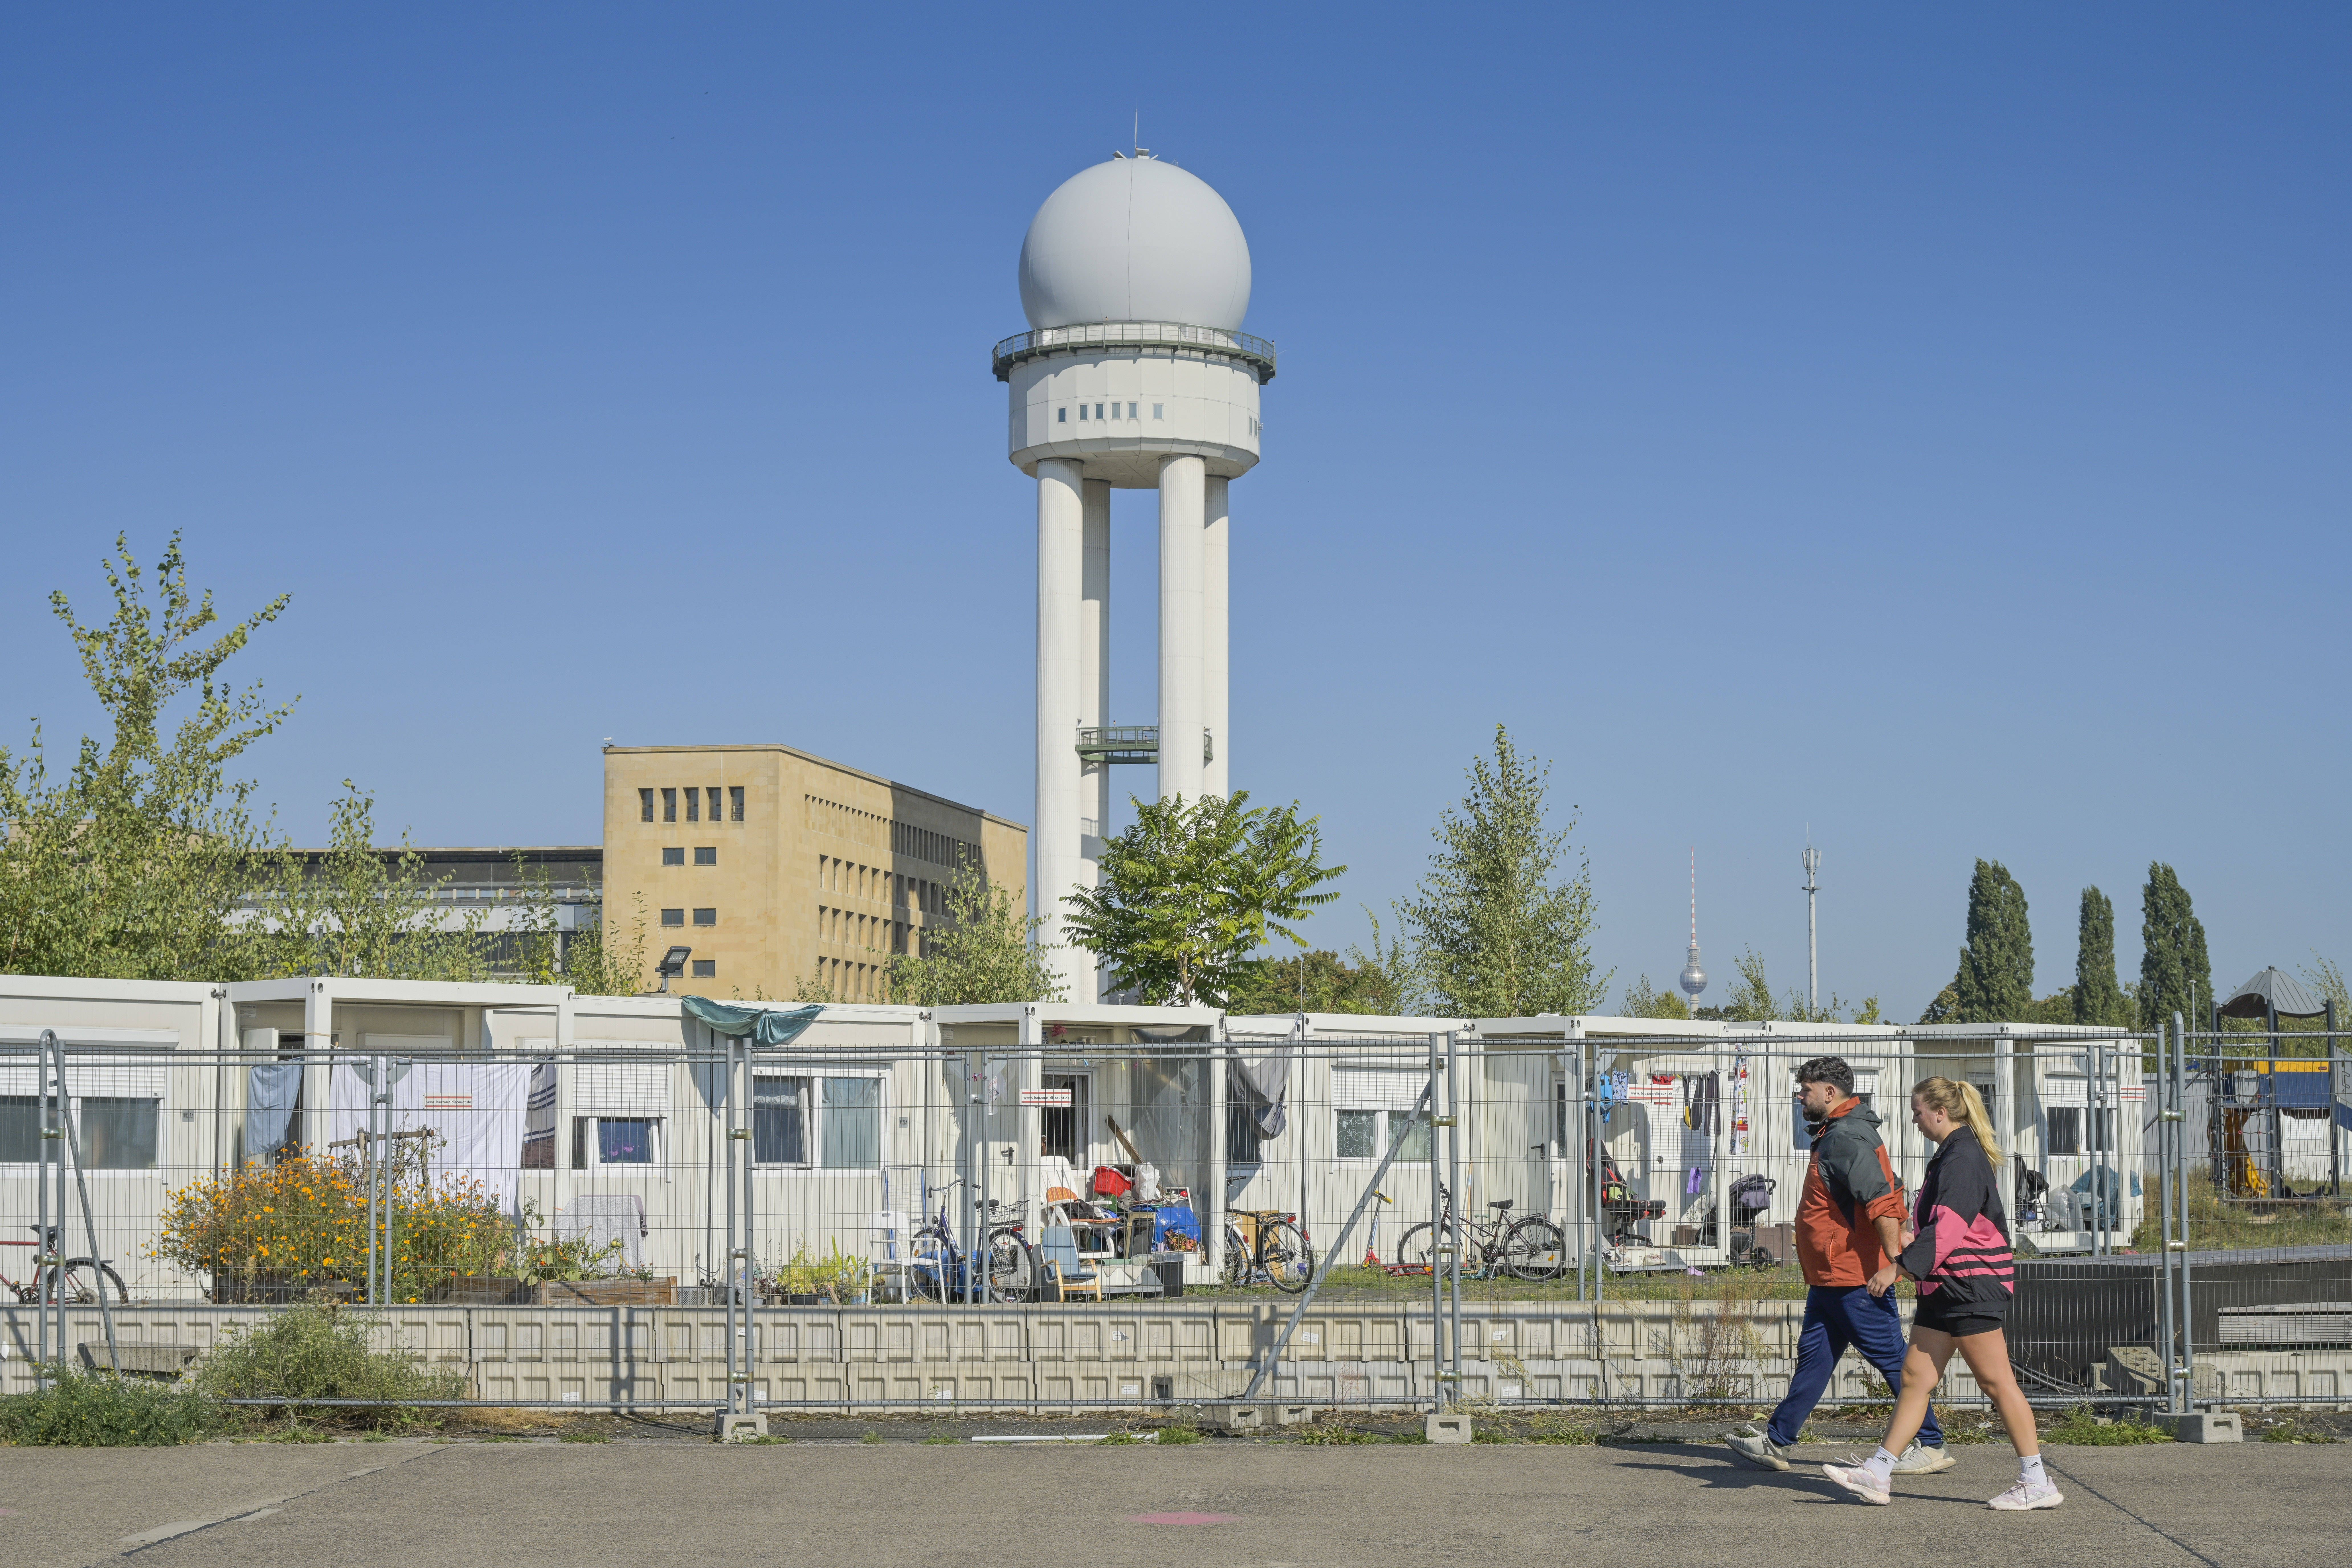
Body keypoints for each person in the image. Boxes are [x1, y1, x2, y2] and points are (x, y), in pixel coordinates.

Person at [1822, 1077, 2059, 1510]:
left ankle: (2037, 1480)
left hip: (1971, 1285)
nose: (1914, 1120)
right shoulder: (1951, 1154)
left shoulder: (1963, 1156)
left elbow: (1951, 1228)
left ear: (1940, 1112)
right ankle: (1878, 1472)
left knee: (1996, 1381)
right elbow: (1943, 1224)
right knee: (1916, 1379)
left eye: (1917, 1112)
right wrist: (1915, 1238)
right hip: (1946, 1285)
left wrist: (1901, 1267)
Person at [1726, 1056, 1950, 1475]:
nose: (1800, 1096)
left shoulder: (1845, 1137)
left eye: (1806, 1089)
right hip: (1831, 1278)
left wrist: (1897, 1261)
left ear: (1830, 1093)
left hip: (1852, 1278)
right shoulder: (1841, 1133)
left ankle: (1932, 1442)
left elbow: (1883, 1200)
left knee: (1892, 1359)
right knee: (1815, 1359)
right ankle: (1776, 1440)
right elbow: (1894, 1186)